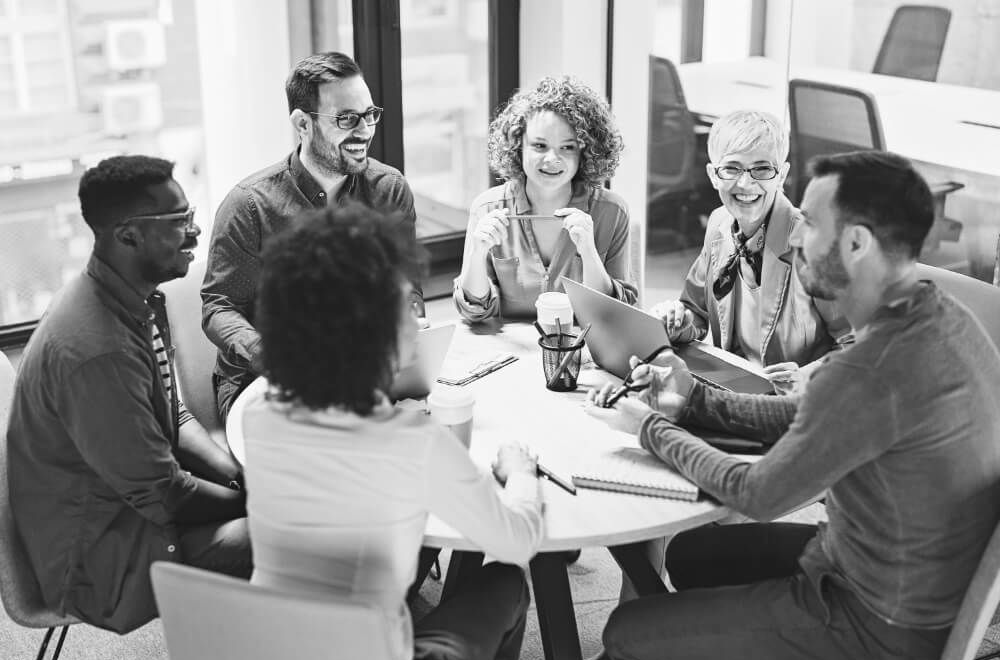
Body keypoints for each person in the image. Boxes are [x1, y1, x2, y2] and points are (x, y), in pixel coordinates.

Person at [585, 151, 1000, 660]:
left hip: (873, 625)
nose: (796, 236)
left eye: (810, 222)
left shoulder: (871, 367)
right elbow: (814, 418)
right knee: (692, 553)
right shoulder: (939, 315)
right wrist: (693, 399)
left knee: (627, 631)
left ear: (855, 244)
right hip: (874, 567)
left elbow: (757, 493)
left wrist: (649, 427)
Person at [242, 202, 544, 660]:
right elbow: (517, 540)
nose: (418, 319)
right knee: (505, 579)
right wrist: (521, 474)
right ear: (373, 331)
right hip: (372, 657)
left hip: (270, 650)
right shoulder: (412, 443)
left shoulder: (260, 414)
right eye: (405, 306)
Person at [7, 156, 251, 634]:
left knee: (296, 510)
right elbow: (163, 494)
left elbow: (172, 413)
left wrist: (237, 475)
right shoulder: (97, 351)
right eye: (179, 222)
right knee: (304, 534)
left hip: (126, 508)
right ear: (127, 236)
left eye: (191, 215)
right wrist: (255, 502)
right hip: (99, 559)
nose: (196, 233)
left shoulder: (125, 296)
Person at [202, 51, 421, 422]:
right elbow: (218, 308)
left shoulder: (389, 190)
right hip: (265, 381)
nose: (365, 131)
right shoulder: (250, 205)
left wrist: (408, 320)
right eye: (347, 118)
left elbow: (407, 287)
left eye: (369, 115)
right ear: (303, 124)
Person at [649, 110, 849, 394]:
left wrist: (808, 378)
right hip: (732, 388)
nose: (745, 184)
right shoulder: (719, 225)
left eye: (762, 169)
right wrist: (676, 320)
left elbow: (860, 344)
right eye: (731, 168)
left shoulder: (815, 244)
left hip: (795, 405)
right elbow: (696, 313)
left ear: (782, 175)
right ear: (713, 175)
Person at [454, 75, 637, 321]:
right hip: (510, 355)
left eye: (567, 147)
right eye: (539, 146)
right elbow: (474, 312)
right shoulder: (486, 208)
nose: (552, 159)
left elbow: (615, 315)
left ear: (586, 151)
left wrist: (588, 252)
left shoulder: (612, 212)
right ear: (518, 146)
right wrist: (477, 254)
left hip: (581, 353)